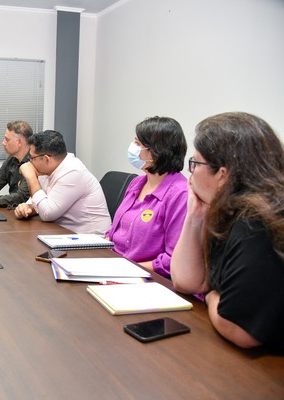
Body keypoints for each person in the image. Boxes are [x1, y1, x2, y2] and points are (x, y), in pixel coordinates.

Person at [171, 112, 284, 351]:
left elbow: (240, 329)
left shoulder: (257, 222)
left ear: (222, 175)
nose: (190, 173)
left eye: (195, 163)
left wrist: (211, 296)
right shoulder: (225, 211)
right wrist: (195, 215)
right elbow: (187, 281)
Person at [105, 116, 188, 279]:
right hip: (115, 267)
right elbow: (116, 231)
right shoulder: (137, 182)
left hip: (146, 278)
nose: (132, 148)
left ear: (158, 151)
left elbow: (172, 260)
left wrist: (125, 270)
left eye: (138, 144)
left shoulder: (180, 194)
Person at [14, 130, 111, 235]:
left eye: (32, 158)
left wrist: (30, 176)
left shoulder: (73, 171)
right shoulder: (48, 169)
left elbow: (47, 213)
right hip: (64, 232)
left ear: (46, 159)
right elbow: (40, 201)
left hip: (91, 241)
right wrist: (27, 207)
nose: (29, 162)